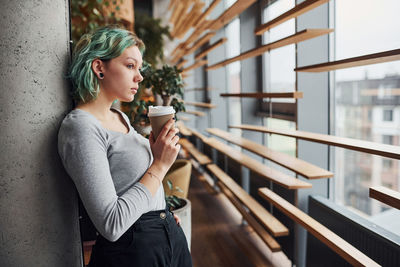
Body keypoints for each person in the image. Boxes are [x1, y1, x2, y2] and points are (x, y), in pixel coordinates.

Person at [58, 25, 192, 267]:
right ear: (99, 67)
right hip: (133, 253)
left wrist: (161, 215)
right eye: (130, 66)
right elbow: (111, 223)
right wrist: (160, 164)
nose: (139, 76)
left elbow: (132, 184)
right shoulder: (80, 128)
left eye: (139, 68)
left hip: (168, 238)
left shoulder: (120, 118)